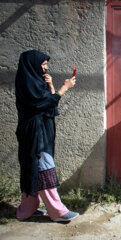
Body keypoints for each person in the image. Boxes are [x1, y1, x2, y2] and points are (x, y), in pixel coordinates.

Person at [15, 50, 79, 221]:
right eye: (43, 64)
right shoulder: (27, 84)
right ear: (32, 65)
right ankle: (58, 212)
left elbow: (51, 106)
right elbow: (42, 104)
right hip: (34, 134)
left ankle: (25, 211)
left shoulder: (36, 82)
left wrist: (51, 86)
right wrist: (63, 88)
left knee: (32, 169)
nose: (46, 67)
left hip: (40, 131)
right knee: (44, 167)